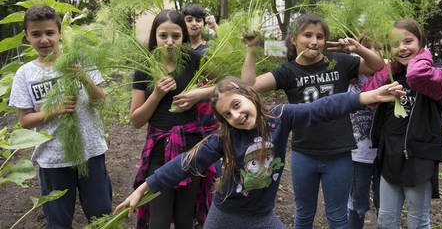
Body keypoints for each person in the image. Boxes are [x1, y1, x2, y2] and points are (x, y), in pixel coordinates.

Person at [115, 76, 404, 229]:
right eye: (228, 114)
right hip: (226, 213)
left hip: (263, 216)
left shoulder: (281, 117)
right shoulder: (223, 139)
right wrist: (144, 188)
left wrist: (368, 96)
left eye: (238, 105)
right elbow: (184, 164)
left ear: (251, 96)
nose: (236, 115)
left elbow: (322, 108)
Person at [241, 14, 385, 229]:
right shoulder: (288, 71)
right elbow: (249, 85)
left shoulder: (340, 62)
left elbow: (377, 65)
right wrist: (252, 49)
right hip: (303, 153)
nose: (314, 41)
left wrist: (359, 48)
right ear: (293, 39)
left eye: (320, 36)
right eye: (307, 35)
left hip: (339, 153)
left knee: (337, 217)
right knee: (303, 214)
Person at [8, 4, 112, 228]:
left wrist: (83, 76)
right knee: (58, 220)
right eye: (36, 34)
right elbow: (25, 120)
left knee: (101, 214)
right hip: (52, 158)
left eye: (49, 33)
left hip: (90, 151)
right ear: (26, 35)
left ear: (59, 33)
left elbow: (101, 100)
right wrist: (54, 110)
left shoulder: (80, 60)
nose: (44, 40)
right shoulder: (25, 74)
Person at [362, 18, 442, 228]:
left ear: (421, 42)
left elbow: (417, 75)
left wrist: (422, 56)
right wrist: (389, 68)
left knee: (417, 221)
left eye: (408, 41)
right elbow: (367, 94)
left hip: (420, 157)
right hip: (390, 155)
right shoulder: (392, 74)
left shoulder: (440, 72)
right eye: (395, 43)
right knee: (385, 220)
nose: (402, 48)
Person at [130, 9, 217, 228]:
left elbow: (230, 84)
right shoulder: (144, 69)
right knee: (158, 220)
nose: (169, 42)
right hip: (159, 151)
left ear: (183, 37)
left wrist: (200, 93)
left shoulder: (195, 61)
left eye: (176, 37)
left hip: (191, 150)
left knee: (185, 218)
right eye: (163, 36)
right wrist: (157, 95)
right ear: (155, 37)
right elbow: (136, 120)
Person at [347, 35, 381, 229]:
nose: (373, 53)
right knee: (356, 204)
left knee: (384, 205)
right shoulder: (348, 77)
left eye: (378, 48)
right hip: (357, 154)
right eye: (367, 47)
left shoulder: (391, 76)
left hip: (384, 154)